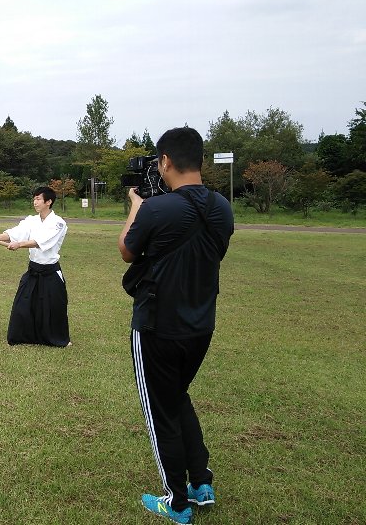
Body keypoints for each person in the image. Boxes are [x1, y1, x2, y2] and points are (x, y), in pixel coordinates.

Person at [118, 127, 234, 524]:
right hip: (201, 325)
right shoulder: (223, 208)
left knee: (161, 412)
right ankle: (201, 482)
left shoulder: (156, 208)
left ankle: (178, 502)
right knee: (178, 397)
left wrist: (136, 204)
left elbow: (126, 250)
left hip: (156, 326)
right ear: (199, 160)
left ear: (164, 161)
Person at [0, 186, 70, 347]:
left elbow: (41, 241)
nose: (35, 202)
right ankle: (25, 336)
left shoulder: (58, 223)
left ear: (49, 201)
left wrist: (19, 244)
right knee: (23, 304)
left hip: (50, 271)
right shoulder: (31, 220)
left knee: (53, 307)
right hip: (33, 269)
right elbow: (14, 233)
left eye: (38, 199)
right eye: (34, 198)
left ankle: (57, 339)